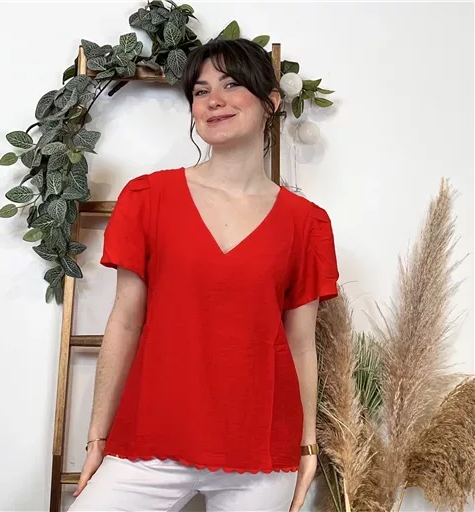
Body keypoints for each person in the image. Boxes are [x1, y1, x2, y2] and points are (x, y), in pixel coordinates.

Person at [69, 37, 339, 512]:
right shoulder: (148, 198)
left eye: (231, 85)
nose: (213, 100)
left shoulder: (307, 223)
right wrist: (98, 436)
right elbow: (125, 321)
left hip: (262, 453)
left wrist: (306, 446)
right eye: (200, 90)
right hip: (153, 436)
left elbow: (301, 345)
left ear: (271, 102)